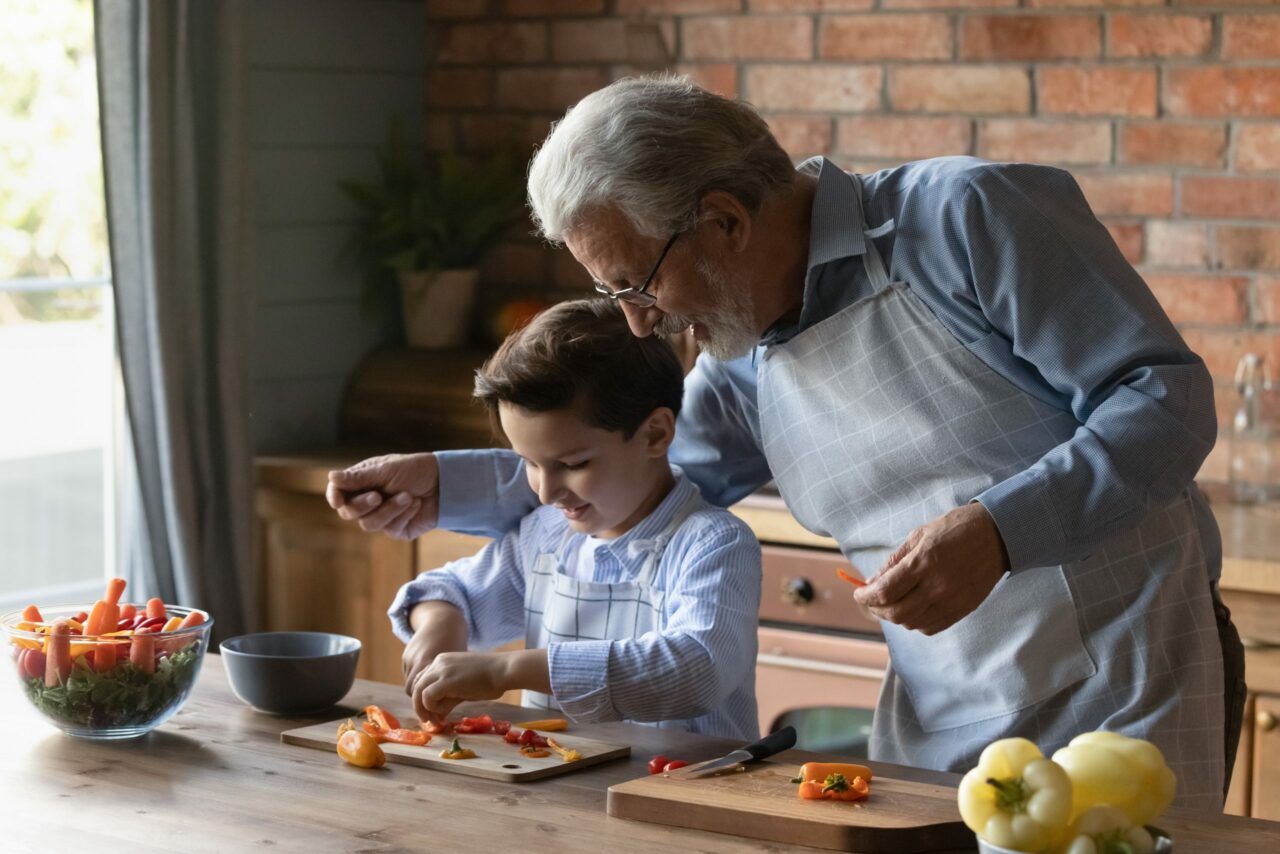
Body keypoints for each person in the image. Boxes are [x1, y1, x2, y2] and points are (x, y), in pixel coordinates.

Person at [328, 75, 1245, 810]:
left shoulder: (967, 217)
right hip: (939, 714)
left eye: (635, 284)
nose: (641, 327)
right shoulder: (738, 363)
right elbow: (637, 483)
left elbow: (1162, 398)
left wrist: (999, 531)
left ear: (724, 221)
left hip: (1132, 681)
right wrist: (444, 486)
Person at [353, 298, 762, 740]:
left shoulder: (714, 544)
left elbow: (695, 670)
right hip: (560, 794)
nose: (546, 492)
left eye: (572, 464)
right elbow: (451, 592)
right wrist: (440, 625)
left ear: (656, 434)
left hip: (687, 795)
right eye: (529, 462)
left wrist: (508, 669)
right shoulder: (549, 534)